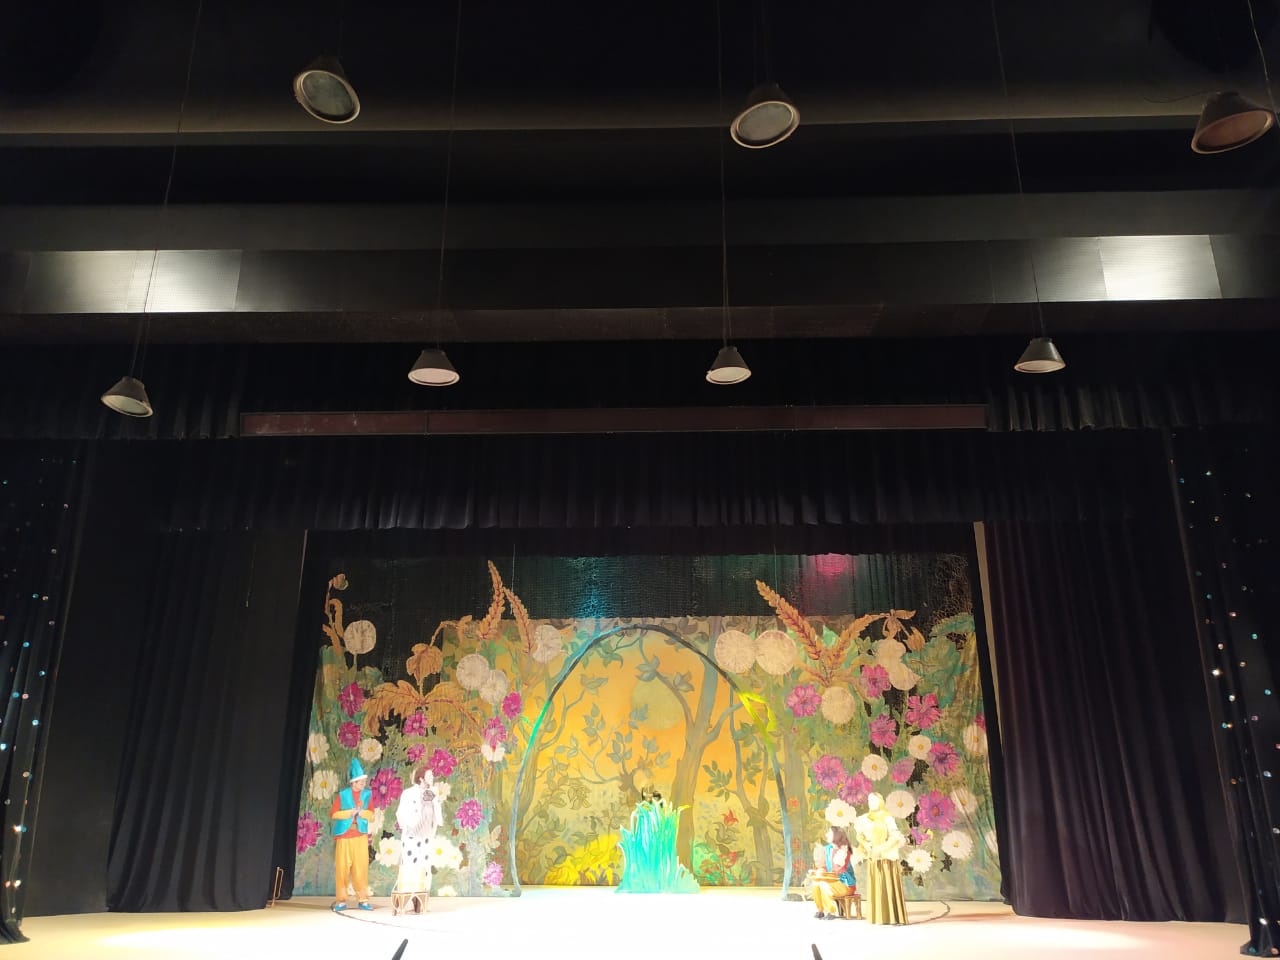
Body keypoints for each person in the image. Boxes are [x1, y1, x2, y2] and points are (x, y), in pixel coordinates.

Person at [394, 764, 445, 910]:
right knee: (409, 865)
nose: (432, 778)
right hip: (412, 836)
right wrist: (408, 827)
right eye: (429, 776)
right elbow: (401, 813)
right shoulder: (409, 793)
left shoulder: (433, 793)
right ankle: (403, 899)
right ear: (421, 778)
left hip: (427, 836)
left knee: (424, 867)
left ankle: (420, 900)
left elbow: (436, 811)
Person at [852, 792, 908, 925]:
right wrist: (866, 844)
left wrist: (881, 848)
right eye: (869, 800)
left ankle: (891, 916)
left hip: (886, 856)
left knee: (887, 883)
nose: (871, 803)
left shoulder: (887, 818)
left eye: (874, 800)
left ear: (880, 802)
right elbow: (860, 836)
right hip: (873, 856)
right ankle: (878, 916)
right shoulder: (864, 819)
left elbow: (895, 836)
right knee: (876, 884)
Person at [330, 758, 374, 912]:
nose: (363, 784)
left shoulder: (367, 795)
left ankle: (363, 899)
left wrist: (362, 813)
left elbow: (371, 814)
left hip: (360, 836)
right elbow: (334, 814)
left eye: (364, 781)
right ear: (354, 782)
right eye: (361, 781)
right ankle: (341, 900)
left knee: (361, 868)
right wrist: (349, 813)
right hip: (344, 836)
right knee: (342, 869)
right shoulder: (343, 795)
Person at [806, 825, 856, 919]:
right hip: (830, 881)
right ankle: (820, 910)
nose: (826, 835)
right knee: (816, 884)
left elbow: (840, 869)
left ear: (836, 835)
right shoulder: (827, 849)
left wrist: (824, 876)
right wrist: (818, 871)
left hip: (845, 884)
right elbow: (823, 866)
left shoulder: (844, 850)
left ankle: (831, 912)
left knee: (824, 884)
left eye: (829, 833)